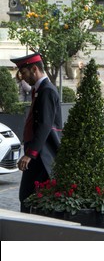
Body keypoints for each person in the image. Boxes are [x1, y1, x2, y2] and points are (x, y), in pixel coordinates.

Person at [11, 53, 62, 213]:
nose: (23, 78)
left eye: (24, 73)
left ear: (34, 69)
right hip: (38, 152)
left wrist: (30, 154)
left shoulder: (46, 90)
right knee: (29, 196)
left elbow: (45, 125)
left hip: (42, 153)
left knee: (29, 196)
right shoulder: (41, 90)